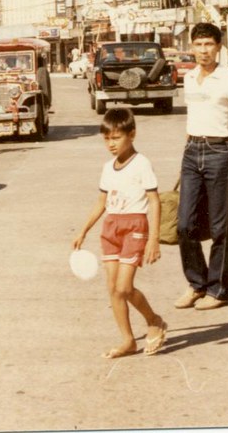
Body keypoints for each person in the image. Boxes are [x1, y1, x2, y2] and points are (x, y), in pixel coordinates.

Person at [73, 107, 167, 359]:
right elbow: (101, 201)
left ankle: (154, 320)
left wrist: (154, 239)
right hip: (111, 228)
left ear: (132, 134)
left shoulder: (142, 163)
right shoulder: (107, 167)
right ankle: (127, 340)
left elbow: (155, 201)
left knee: (125, 288)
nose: (111, 144)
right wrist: (83, 230)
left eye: (116, 138)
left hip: (135, 227)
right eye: (106, 139)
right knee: (113, 289)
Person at [175, 22, 228, 311]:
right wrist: (185, 155)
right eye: (199, 44)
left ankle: (218, 290)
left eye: (209, 44)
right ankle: (196, 283)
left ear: (219, 47)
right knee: (184, 224)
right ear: (192, 46)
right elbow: (193, 117)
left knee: (219, 226)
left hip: (219, 152)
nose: (203, 50)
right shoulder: (189, 77)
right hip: (191, 151)